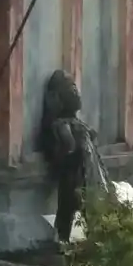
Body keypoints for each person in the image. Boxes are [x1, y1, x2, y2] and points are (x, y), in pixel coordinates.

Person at [39, 70, 97, 241]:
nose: (75, 92)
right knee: (68, 210)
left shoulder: (70, 123)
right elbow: (69, 146)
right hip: (75, 175)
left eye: (74, 87)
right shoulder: (61, 124)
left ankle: (66, 241)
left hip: (80, 175)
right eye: (70, 88)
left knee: (73, 210)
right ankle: (63, 242)